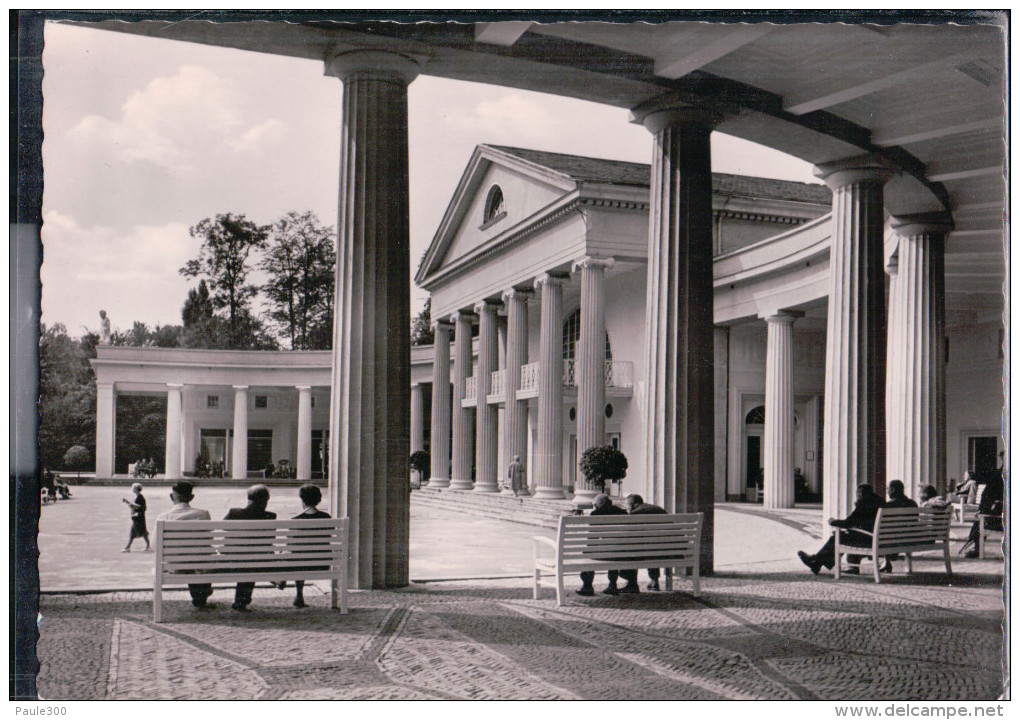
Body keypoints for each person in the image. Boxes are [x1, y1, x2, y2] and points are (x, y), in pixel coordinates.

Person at [797, 484, 884, 575]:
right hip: (879, 539)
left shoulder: (864, 503)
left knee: (837, 537)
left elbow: (848, 523)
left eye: (858, 493)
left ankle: (816, 561)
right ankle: (817, 563)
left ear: (863, 493)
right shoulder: (880, 502)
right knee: (842, 535)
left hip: (869, 541)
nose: (858, 495)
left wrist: (833, 522)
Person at [157, 481, 214, 608]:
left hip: (174, 565)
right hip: (198, 564)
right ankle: (201, 595)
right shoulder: (203, 514)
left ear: (172, 497)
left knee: (189, 558)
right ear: (191, 497)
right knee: (199, 559)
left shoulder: (163, 517)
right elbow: (209, 538)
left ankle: (200, 595)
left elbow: (156, 545)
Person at [224, 484, 277, 611]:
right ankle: (242, 600)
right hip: (260, 559)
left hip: (233, 558)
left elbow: (224, 529)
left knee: (247, 558)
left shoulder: (233, 513)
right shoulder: (270, 516)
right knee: (253, 559)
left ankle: (240, 601)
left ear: (248, 498)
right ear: (265, 501)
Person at [577, 493, 627, 597]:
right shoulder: (623, 512)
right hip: (622, 550)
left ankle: (587, 586)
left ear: (597, 505)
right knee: (613, 550)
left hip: (606, 551)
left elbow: (593, 537)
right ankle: (613, 585)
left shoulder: (596, 513)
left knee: (589, 552)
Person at [290, 484, 331, 608]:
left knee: (297, 556)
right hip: (322, 563)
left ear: (302, 499)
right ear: (319, 500)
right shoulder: (327, 518)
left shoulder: (295, 520)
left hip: (301, 564)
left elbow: (292, 545)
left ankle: (299, 594)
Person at [621, 493, 667, 593]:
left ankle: (632, 583)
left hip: (645, 551)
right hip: (665, 550)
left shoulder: (635, 514)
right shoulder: (660, 510)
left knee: (632, 549)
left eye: (627, 506)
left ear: (634, 504)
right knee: (652, 547)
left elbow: (629, 536)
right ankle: (654, 581)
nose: (627, 509)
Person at [963, 473, 1003, 559]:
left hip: (1000, 520)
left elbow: (987, 497)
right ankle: (975, 544)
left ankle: (977, 548)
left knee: (980, 521)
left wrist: (983, 511)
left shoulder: (998, 478)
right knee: (980, 520)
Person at [121, 482, 151, 552]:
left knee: (134, 532)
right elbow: (133, 505)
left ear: (136, 489)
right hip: (136, 517)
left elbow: (141, 507)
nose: (132, 489)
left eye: (133, 488)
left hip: (138, 517)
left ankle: (127, 547)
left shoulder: (140, 498)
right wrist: (126, 501)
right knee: (142, 532)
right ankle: (148, 546)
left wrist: (130, 504)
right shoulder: (137, 497)